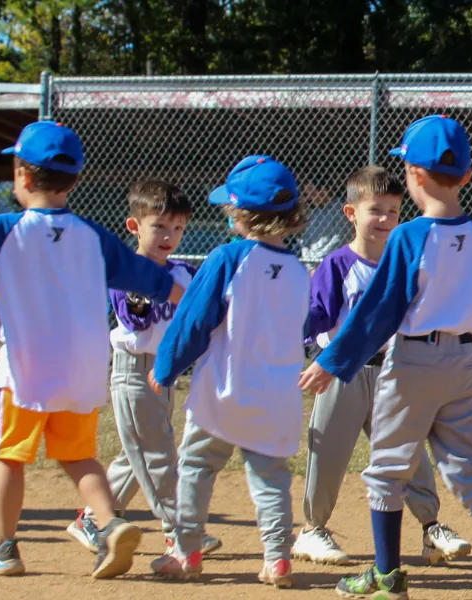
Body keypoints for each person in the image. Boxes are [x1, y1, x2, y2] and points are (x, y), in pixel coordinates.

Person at [298, 115, 472, 600]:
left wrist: (331, 361)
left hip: (415, 362)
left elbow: (377, 314)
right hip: (465, 366)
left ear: (413, 176)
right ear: (467, 175)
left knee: (386, 468)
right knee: (466, 465)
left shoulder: (409, 236)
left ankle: (385, 577)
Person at [0, 122, 183, 578]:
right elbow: (157, 282)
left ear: (23, 177)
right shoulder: (94, 236)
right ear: (76, 181)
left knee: (10, 455)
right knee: (78, 455)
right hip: (84, 369)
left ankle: (3, 548)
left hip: (25, 368)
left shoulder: (2, 232)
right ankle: (109, 525)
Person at [295, 165, 471, 566]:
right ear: (350, 213)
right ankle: (312, 529)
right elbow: (316, 315)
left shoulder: (404, 265)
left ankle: (431, 528)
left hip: (395, 373)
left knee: (410, 456)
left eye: (393, 211)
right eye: (375, 210)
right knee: (328, 452)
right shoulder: (337, 265)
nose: (385, 219)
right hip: (345, 372)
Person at [149, 155, 310, 588]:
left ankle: (187, 554)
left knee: (197, 465)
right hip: (276, 395)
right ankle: (277, 559)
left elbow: (193, 320)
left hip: (224, 388)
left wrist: (166, 366)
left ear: (240, 214)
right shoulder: (299, 270)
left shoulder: (227, 257)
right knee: (271, 478)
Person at [64, 180, 224, 556]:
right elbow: (136, 319)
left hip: (165, 373)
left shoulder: (184, 271)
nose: (170, 236)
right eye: (159, 226)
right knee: (157, 456)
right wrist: (161, 287)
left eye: (178, 228)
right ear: (134, 227)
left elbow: (205, 311)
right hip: (133, 372)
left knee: (138, 452)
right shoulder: (125, 272)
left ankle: (91, 518)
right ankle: (180, 530)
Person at [300, 180, 348, 264]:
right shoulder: (314, 213)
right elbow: (305, 239)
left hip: (329, 261)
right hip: (310, 261)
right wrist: (308, 260)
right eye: (307, 194)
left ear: (324, 190)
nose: (309, 198)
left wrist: (318, 258)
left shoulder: (341, 209)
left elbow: (339, 238)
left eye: (312, 193)